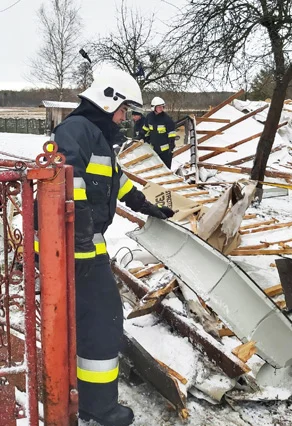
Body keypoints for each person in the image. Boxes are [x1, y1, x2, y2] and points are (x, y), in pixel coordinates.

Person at [39, 67, 174, 426]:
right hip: (72, 248)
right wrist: (81, 245)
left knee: (93, 321)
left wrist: (150, 205)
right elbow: (69, 185)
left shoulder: (97, 137)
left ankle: (85, 396)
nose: (126, 118)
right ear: (107, 100)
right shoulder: (76, 131)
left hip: (83, 246)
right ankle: (98, 406)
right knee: (103, 320)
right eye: (123, 110)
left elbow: (117, 183)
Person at [143, 96, 177, 168]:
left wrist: (171, 143)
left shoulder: (167, 119)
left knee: (166, 169)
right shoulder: (149, 117)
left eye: (162, 106)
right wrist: (141, 136)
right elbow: (145, 129)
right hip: (153, 149)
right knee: (155, 169)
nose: (161, 108)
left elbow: (172, 133)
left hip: (165, 152)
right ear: (154, 107)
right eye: (159, 107)